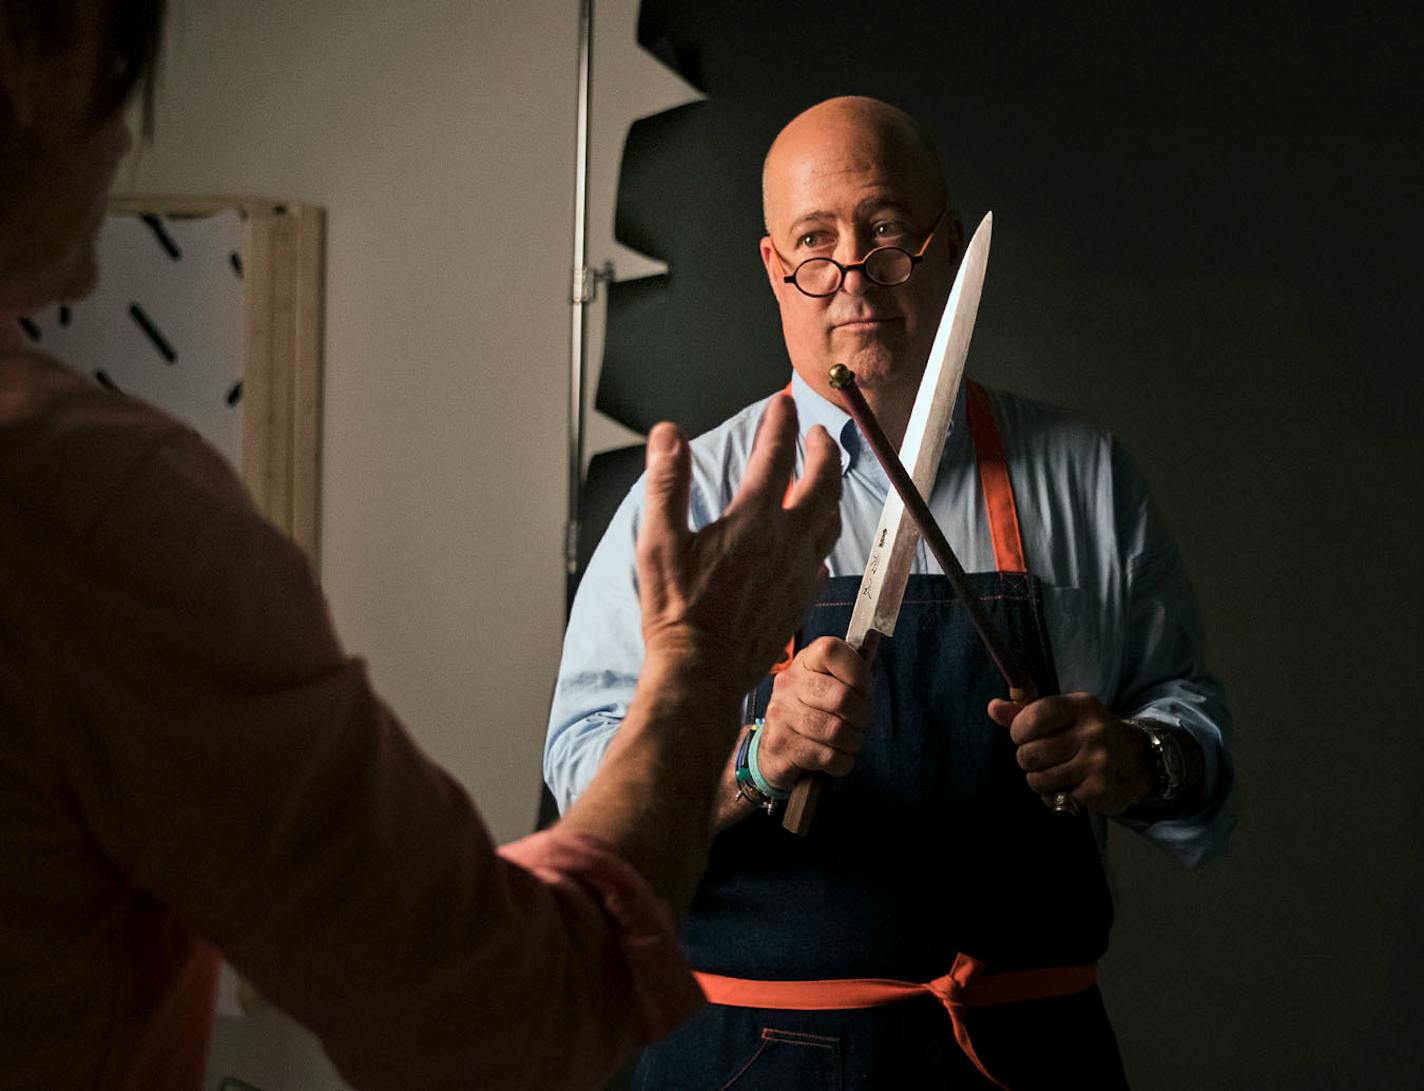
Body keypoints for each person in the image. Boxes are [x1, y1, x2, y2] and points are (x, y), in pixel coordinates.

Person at [0, 3, 844, 1089]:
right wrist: (706, 674)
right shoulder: (82, 496)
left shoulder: (1074, 468)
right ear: (30, 53)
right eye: (120, 66)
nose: (127, 136)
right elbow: (499, 1012)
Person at [546, 95, 1236, 1087]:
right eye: (813, 242)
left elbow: (1193, 736)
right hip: (746, 1061)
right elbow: (584, 790)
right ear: (771, 267)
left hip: (1025, 1054)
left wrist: (1138, 756)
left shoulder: (1082, 474)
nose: (853, 278)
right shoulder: (692, 495)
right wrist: (755, 757)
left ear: (945, 243)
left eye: (883, 231)